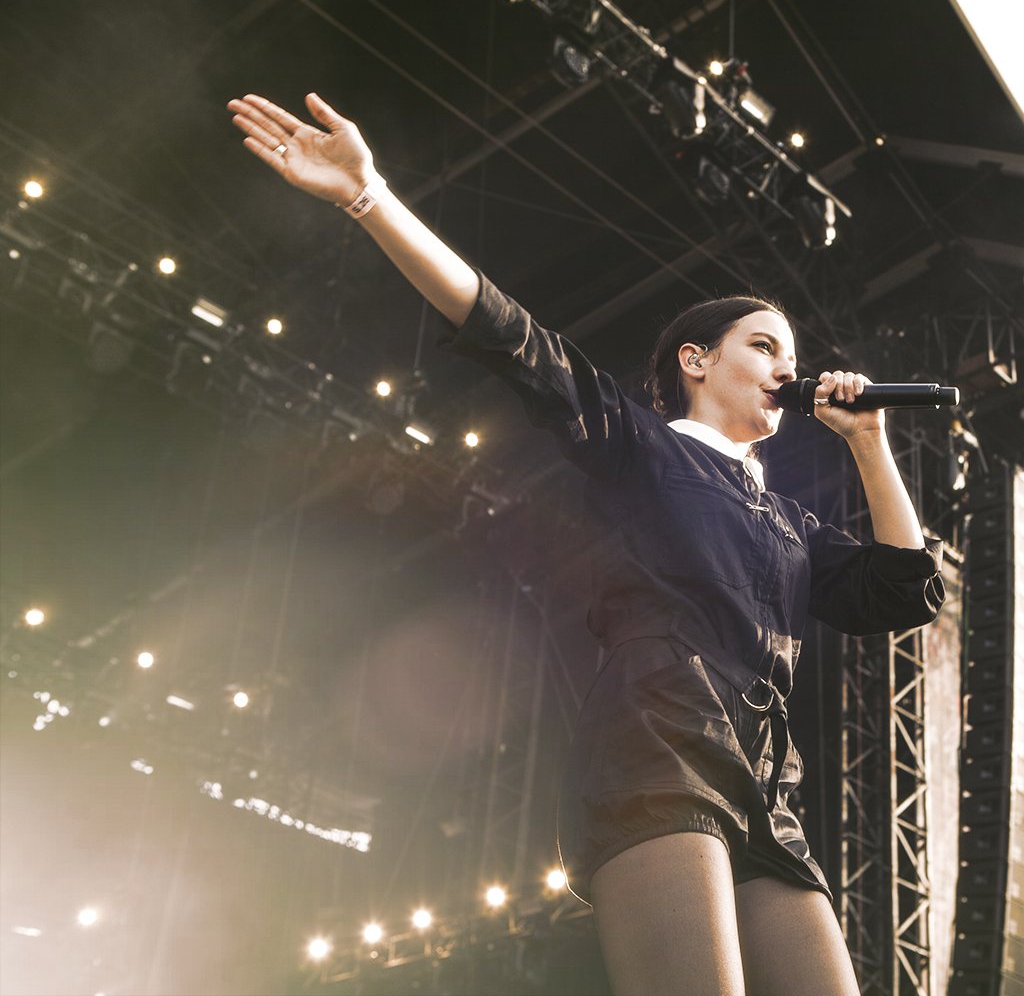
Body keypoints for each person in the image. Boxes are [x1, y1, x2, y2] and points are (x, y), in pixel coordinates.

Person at [229, 92, 944, 996]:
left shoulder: (793, 525)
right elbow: (508, 333)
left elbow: (908, 591)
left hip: (767, 781)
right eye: (763, 347)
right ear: (696, 360)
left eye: (790, 357)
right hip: (658, 745)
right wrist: (370, 195)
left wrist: (870, 445)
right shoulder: (642, 446)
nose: (785, 370)